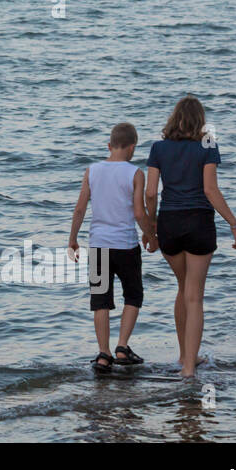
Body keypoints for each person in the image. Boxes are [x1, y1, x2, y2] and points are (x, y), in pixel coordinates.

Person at [145, 96, 236, 378]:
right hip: (199, 223)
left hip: (169, 224)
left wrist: (151, 226)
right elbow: (210, 191)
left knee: (182, 289)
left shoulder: (158, 148)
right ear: (200, 120)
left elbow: (151, 192)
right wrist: (234, 224)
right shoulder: (208, 145)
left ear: (173, 118)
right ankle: (189, 367)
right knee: (195, 297)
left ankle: (183, 356)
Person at [68, 122, 158, 372]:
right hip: (126, 246)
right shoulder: (135, 173)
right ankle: (122, 347)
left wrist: (72, 240)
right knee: (133, 295)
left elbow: (80, 208)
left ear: (109, 146)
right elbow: (140, 213)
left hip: (98, 247)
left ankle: (103, 354)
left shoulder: (92, 170)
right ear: (132, 148)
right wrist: (150, 234)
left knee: (101, 300)